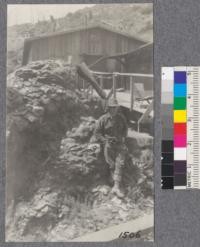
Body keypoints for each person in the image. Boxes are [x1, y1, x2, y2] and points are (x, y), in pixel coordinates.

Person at [94, 97, 128, 198]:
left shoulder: (121, 118)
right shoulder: (103, 119)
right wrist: (105, 141)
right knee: (111, 164)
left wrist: (123, 139)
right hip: (108, 144)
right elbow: (97, 133)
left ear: (117, 108)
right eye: (111, 108)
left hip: (119, 143)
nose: (113, 110)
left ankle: (116, 186)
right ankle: (112, 181)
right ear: (108, 108)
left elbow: (125, 130)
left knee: (120, 163)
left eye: (115, 108)